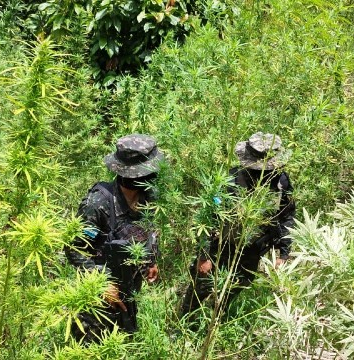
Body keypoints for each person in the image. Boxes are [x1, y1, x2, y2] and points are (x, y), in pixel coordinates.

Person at [179, 132, 295, 321]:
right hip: (222, 245)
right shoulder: (229, 181)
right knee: (200, 288)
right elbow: (208, 218)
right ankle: (185, 324)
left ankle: (216, 321)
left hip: (253, 249)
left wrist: (283, 252)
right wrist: (204, 255)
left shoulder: (281, 183)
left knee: (234, 288)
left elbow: (286, 216)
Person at [65, 134, 164, 342]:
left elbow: (150, 230)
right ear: (133, 175)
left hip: (129, 289)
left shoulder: (150, 197)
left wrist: (151, 260)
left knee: (124, 343)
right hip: (97, 295)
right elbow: (74, 248)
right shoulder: (98, 203)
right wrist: (103, 285)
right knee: (90, 348)